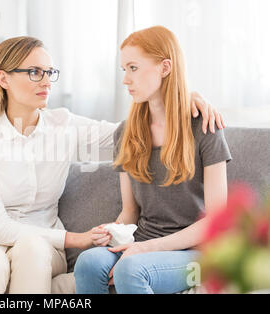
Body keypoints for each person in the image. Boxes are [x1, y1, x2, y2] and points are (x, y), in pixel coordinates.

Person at [0, 36, 224, 294]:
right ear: (3, 79)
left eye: (49, 72)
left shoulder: (64, 126)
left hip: (39, 245)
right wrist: (75, 239)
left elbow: (137, 132)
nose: (46, 81)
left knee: (33, 248)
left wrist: (183, 97)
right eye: (35, 72)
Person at [74, 25, 232, 294]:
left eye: (133, 68)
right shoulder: (126, 133)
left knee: (131, 269)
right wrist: (111, 231)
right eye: (123, 69)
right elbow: (130, 212)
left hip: (197, 253)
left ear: (165, 67)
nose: (125, 79)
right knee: (87, 263)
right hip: (144, 241)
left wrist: (145, 249)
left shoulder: (204, 128)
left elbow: (217, 221)